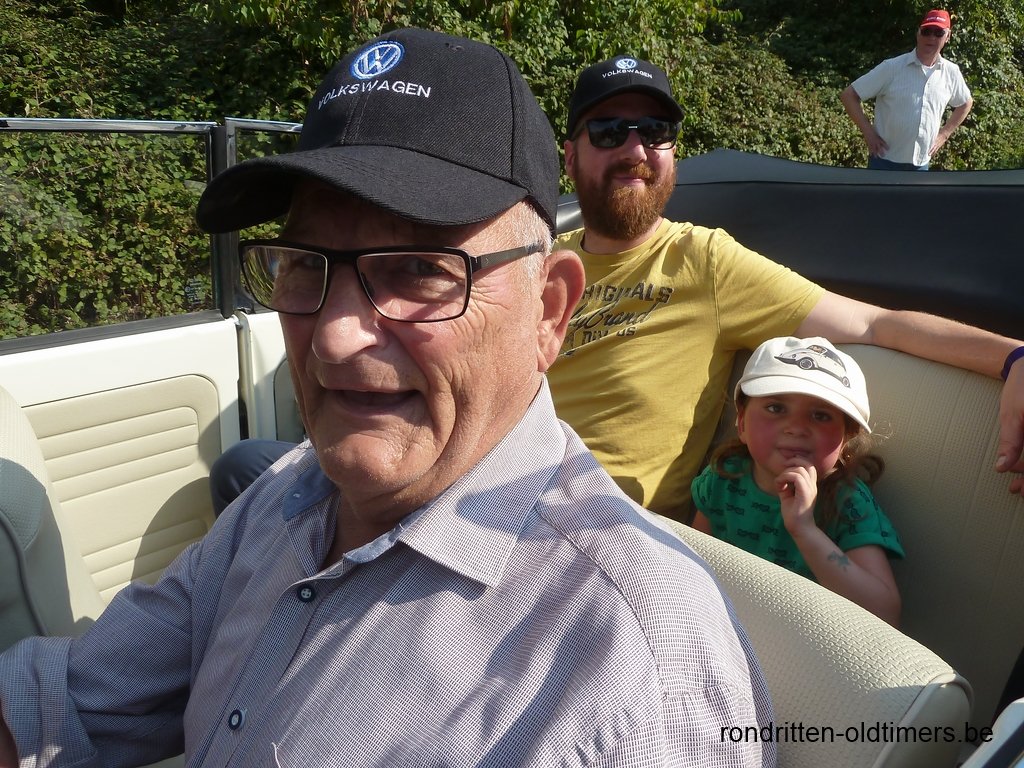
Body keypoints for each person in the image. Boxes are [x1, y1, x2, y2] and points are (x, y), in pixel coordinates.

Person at [0, 28, 777, 768]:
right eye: (304, 263)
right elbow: (67, 703)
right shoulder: (286, 495)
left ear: (548, 313)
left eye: (419, 269)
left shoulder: (636, 675)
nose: (335, 339)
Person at [547, 54, 1023, 521]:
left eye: (655, 131)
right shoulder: (540, 260)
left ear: (672, 154)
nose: (635, 151)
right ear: (570, 157)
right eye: (608, 131)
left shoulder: (704, 262)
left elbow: (876, 324)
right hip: (505, 489)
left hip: (596, 531)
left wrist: (1013, 357)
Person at [691, 336, 903, 626]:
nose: (797, 427)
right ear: (741, 423)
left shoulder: (847, 502)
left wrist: (805, 530)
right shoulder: (724, 476)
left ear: (846, 439)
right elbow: (692, 557)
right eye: (776, 408)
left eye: (821, 415)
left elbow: (884, 613)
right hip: (721, 619)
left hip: (804, 634)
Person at [840, 9, 973, 170]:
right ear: (918, 33)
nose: (931, 37)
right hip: (884, 162)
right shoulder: (892, 68)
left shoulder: (951, 72)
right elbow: (849, 95)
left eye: (938, 32)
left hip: (921, 165)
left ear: (948, 36)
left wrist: (944, 135)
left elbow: (965, 103)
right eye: (926, 31)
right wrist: (869, 133)